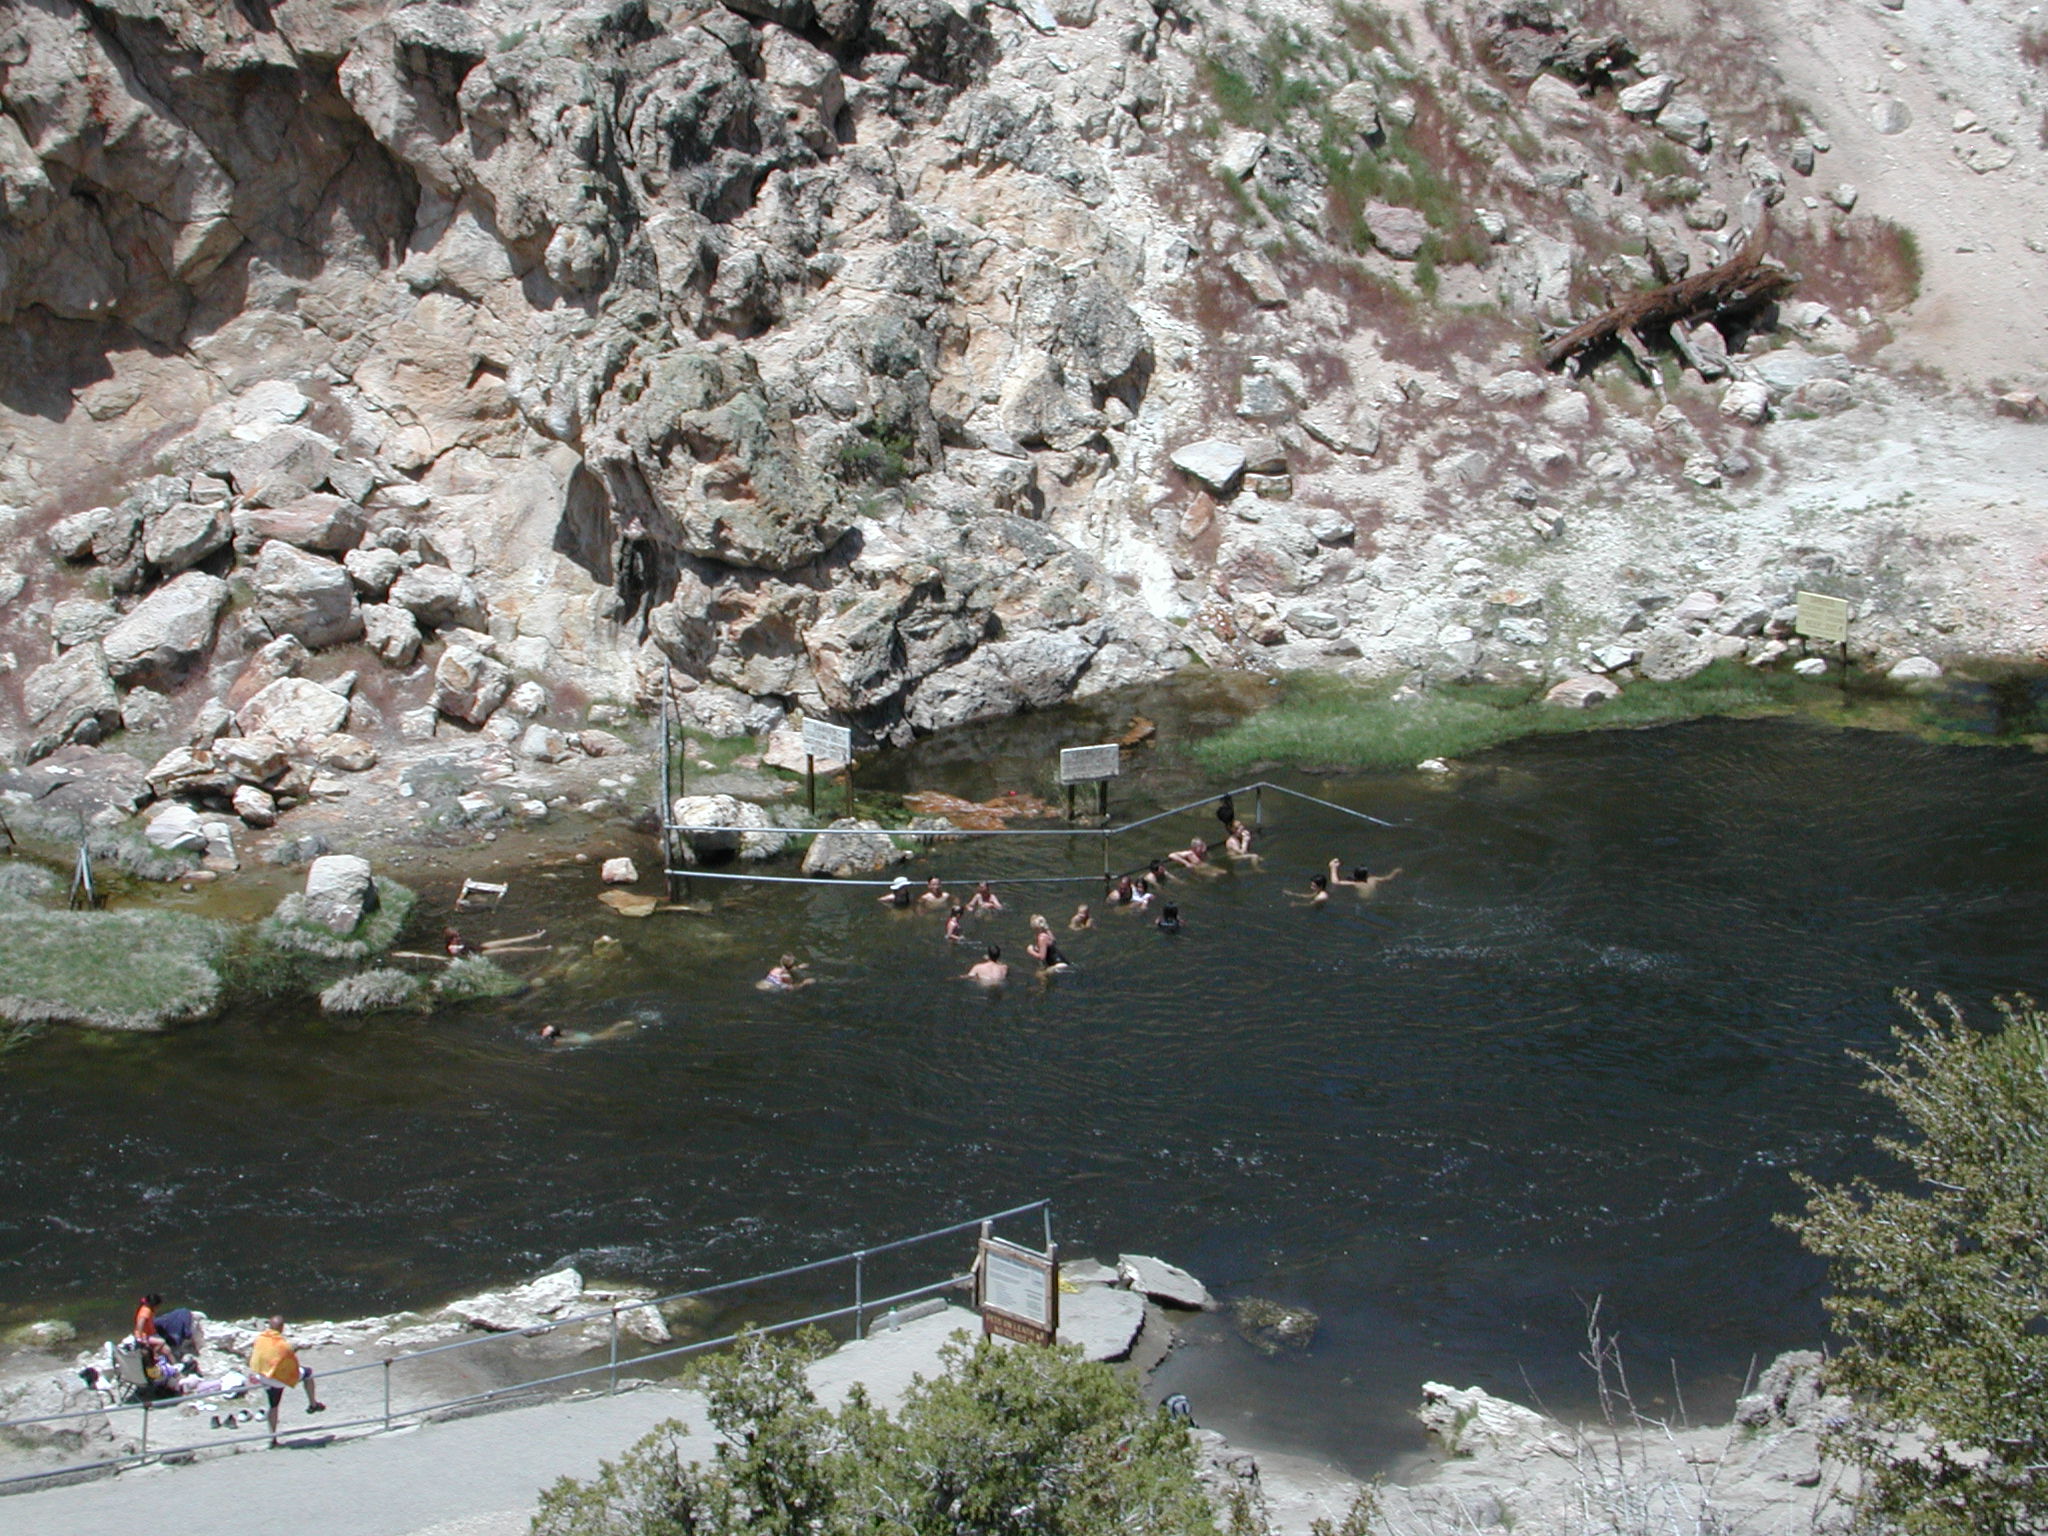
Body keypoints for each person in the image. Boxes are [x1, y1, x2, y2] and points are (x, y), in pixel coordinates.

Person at [247, 1316, 325, 1445]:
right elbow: (291, 1364)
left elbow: (257, 1357)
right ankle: (313, 1403)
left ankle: (272, 1439)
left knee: (273, 1405)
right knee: (308, 1373)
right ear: (282, 1328)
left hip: (264, 1376)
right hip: (279, 1378)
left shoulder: (260, 1339)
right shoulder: (283, 1345)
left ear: (269, 1326)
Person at [1329, 859, 1403, 897]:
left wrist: (1333, 868)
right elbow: (1387, 879)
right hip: (1373, 897)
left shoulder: (1356, 884)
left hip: (1362, 899)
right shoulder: (1373, 879)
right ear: (1367, 875)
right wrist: (1395, 872)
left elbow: (1336, 882)